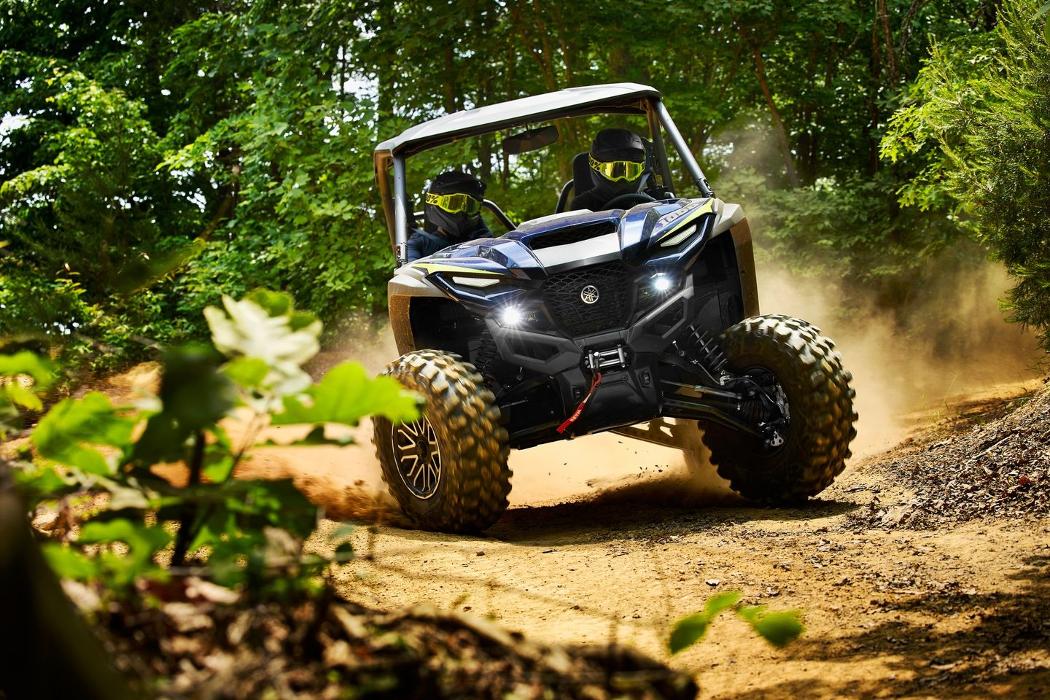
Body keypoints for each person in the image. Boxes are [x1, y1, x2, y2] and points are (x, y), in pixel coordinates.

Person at [569, 128, 669, 212]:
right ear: (595, 167)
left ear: (642, 170)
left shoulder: (649, 202)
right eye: (614, 171)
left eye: (631, 171)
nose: (622, 179)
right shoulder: (582, 206)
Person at [405, 171, 492, 262]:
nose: (461, 212)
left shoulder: (483, 240)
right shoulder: (419, 243)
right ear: (435, 201)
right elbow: (409, 267)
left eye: (470, 206)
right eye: (454, 204)